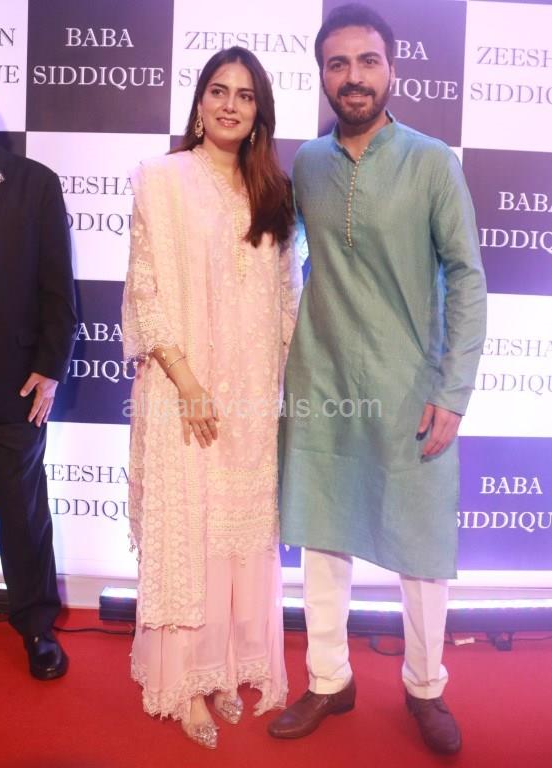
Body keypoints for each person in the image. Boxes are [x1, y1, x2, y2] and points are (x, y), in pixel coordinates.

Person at [267, 4, 487, 756]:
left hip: (408, 388)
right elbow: (271, 255)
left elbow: (466, 277)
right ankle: (329, 679)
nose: (353, 77)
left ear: (391, 69)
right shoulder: (307, 163)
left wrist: (452, 391)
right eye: (338, 64)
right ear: (323, 75)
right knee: (321, 535)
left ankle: (425, 687)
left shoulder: (431, 161)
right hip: (321, 378)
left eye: (367, 61)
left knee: (420, 550)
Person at [122, 46, 301, 750]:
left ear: (259, 113)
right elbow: (144, 288)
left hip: (251, 396)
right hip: (182, 391)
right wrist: (187, 382)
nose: (230, 105)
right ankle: (185, 685)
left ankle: (223, 664)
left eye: (245, 95)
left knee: (235, 536)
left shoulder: (272, 192)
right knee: (188, 534)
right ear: (199, 104)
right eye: (219, 91)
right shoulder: (160, 179)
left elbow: (284, 298)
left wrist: (282, 391)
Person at [0, 57, 76, 678]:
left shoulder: (35, 183)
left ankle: (37, 625)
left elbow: (59, 287)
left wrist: (50, 366)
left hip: (12, 384)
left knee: (23, 513)